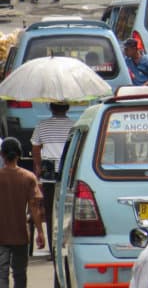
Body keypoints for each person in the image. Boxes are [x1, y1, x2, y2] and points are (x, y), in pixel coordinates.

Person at [0, 137, 45, 288]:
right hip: (20, 235)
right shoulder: (28, 177)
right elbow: (34, 207)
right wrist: (40, 232)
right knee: (19, 274)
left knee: (1, 273)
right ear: (19, 154)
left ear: (2, 155)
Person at [31, 102, 74, 257]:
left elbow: (35, 147)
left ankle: (53, 248)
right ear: (67, 108)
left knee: (49, 211)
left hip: (48, 170)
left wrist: (38, 166)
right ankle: (64, 243)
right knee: (67, 209)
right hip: (66, 169)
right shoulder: (73, 125)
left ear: (50, 108)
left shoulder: (42, 125)